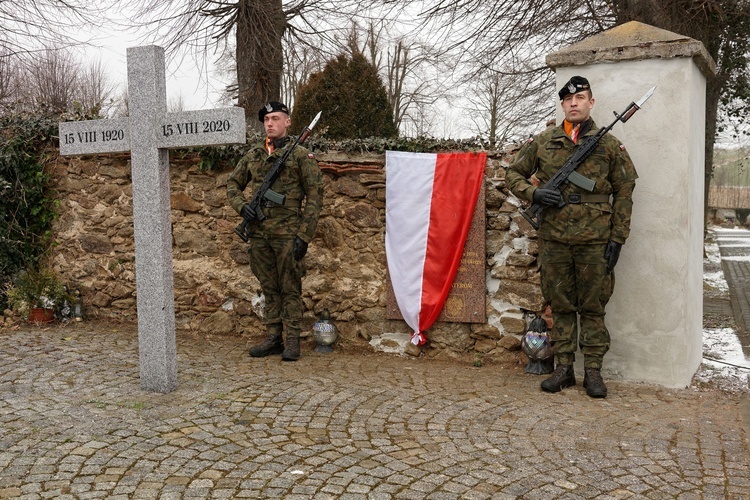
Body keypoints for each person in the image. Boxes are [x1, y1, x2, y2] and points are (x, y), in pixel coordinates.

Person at [506, 76, 638, 398]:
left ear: (591, 103)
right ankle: (563, 369)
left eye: (581, 97)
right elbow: (513, 174)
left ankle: (593, 372)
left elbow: (624, 191)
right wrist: (535, 194)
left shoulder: (608, 144)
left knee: (593, 307)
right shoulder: (545, 141)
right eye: (568, 99)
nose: (574, 103)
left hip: (595, 240)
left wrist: (618, 238)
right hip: (555, 239)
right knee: (561, 305)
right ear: (563, 105)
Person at [227, 101, 323, 361]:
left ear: (287, 122)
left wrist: (304, 236)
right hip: (259, 234)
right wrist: (242, 207)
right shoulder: (254, 155)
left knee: (290, 287)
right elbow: (232, 185)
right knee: (269, 287)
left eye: (275, 118)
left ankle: (292, 340)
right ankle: (273, 337)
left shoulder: (301, 155)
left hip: (288, 233)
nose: (270, 123)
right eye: (266, 119)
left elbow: (315, 196)